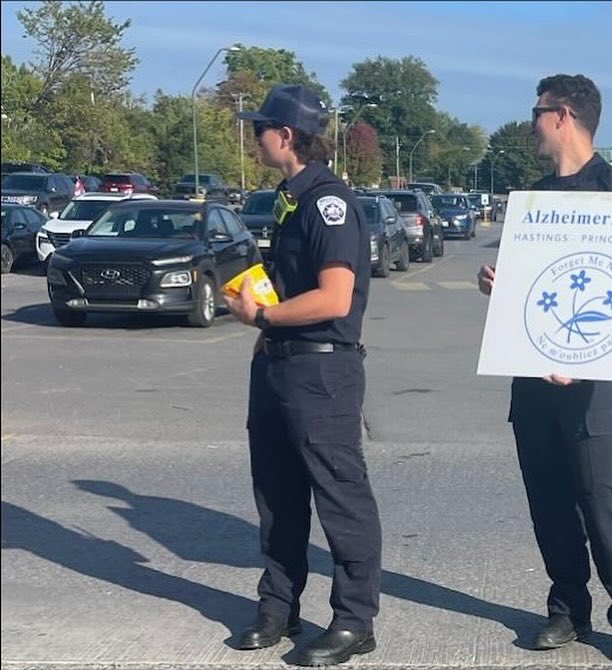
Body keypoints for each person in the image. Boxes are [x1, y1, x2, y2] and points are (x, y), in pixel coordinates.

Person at [476, 74, 612, 667]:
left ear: (561, 116)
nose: (529, 123)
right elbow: (528, 288)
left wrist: (582, 364)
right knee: (548, 497)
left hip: (590, 386)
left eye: (535, 112)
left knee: (603, 499)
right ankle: (568, 609)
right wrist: (497, 287)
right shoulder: (533, 200)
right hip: (530, 379)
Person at [224, 84, 381, 667]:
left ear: (285, 136)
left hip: (322, 371)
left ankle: (354, 619)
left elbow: (335, 298)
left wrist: (261, 314)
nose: (254, 136)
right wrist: (267, 333)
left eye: (260, 127)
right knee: (277, 495)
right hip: (279, 365)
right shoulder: (290, 197)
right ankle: (278, 606)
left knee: (340, 497)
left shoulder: (327, 202)